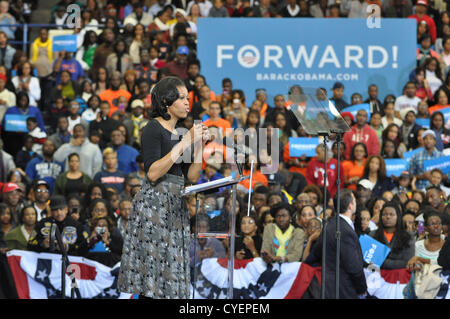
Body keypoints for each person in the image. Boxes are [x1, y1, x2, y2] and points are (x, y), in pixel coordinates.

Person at [118, 76, 209, 299]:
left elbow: (191, 176)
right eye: (182, 98)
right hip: (154, 209)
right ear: (167, 101)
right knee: (153, 275)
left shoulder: (181, 133)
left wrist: (199, 146)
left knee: (172, 273)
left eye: (188, 98)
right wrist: (186, 142)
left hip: (176, 206)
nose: (188, 103)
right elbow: (153, 172)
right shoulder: (153, 129)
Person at [305, 189, 367, 299]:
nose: (356, 203)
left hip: (327, 289)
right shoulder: (345, 231)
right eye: (354, 201)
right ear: (350, 206)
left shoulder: (328, 226)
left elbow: (316, 254)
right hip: (344, 290)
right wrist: (362, 289)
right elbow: (353, 267)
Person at [369, 202, 415, 269]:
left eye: (391, 214)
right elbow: (369, 260)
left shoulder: (408, 236)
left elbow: (407, 261)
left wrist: (381, 262)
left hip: (400, 275)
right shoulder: (372, 235)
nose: (388, 217)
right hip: (375, 275)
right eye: (384, 214)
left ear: (398, 217)